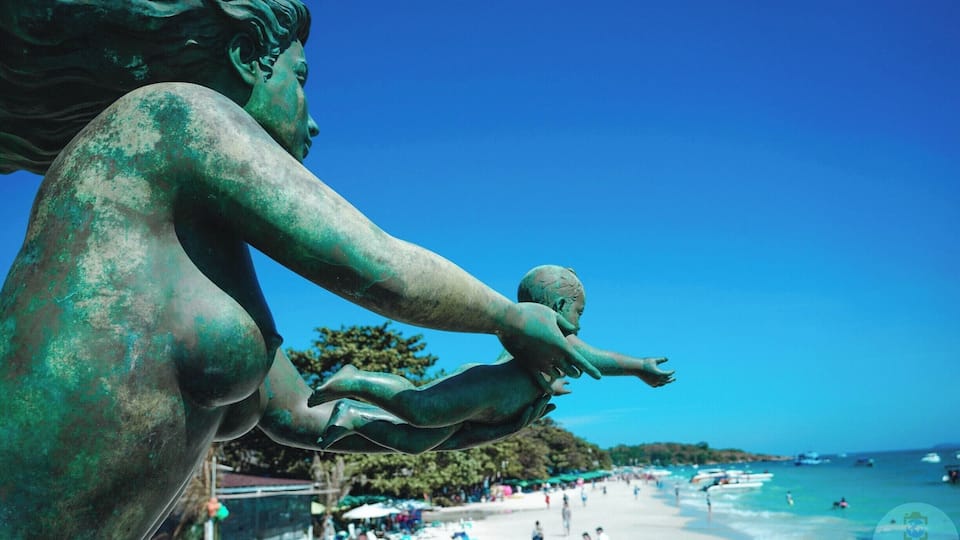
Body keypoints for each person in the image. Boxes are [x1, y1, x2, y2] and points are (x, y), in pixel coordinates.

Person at [0, 2, 600, 538]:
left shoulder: (204, 245)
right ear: (246, 57)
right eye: (302, 78)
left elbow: (303, 413)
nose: (313, 122)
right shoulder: (169, 119)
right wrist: (512, 318)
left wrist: (459, 419)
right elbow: (382, 269)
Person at [309, 265, 675, 449]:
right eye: (580, 311)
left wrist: (548, 383)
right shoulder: (555, 337)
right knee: (422, 409)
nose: (580, 321)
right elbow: (598, 358)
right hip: (483, 390)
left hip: (485, 407)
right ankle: (355, 380)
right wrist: (639, 367)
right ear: (561, 306)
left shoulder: (543, 350)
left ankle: (355, 417)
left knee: (415, 443)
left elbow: (539, 370)